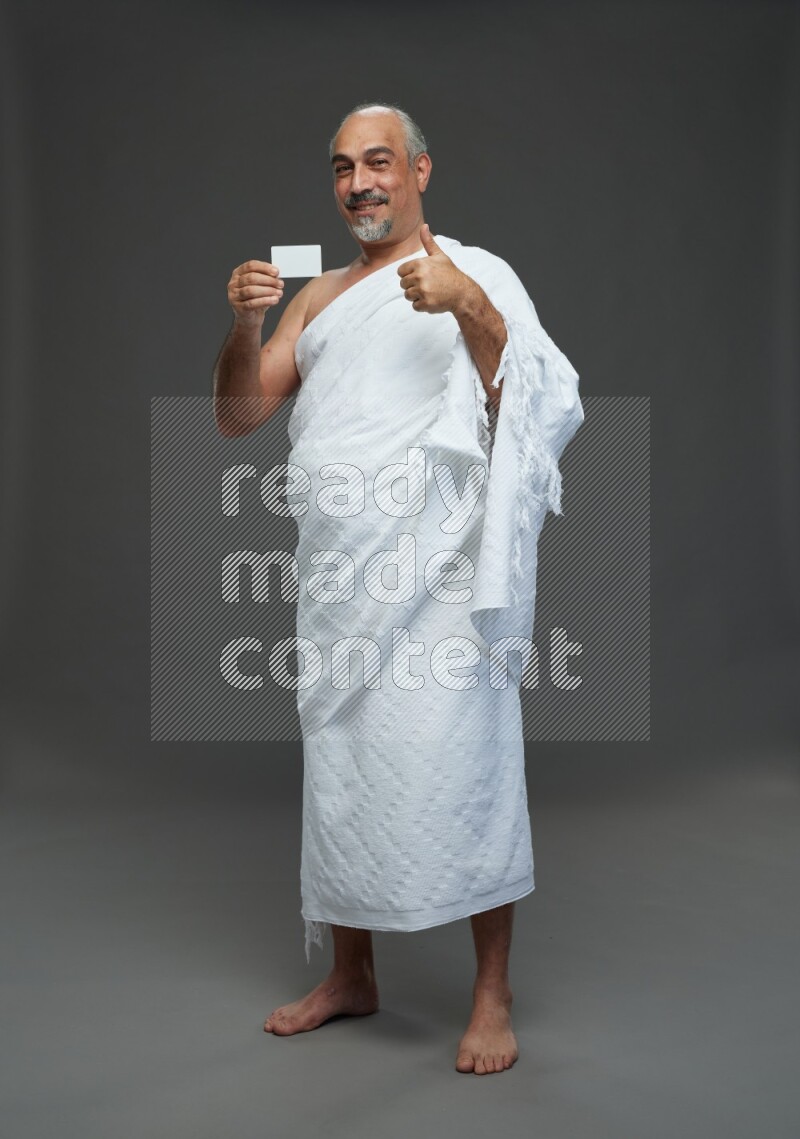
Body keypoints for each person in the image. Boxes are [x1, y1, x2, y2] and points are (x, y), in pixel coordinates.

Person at [212, 102, 584, 1075]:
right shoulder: (318, 295)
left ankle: (489, 992)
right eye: (341, 168)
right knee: (344, 770)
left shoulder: (477, 270)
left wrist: (465, 302)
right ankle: (351, 973)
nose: (358, 182)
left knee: (467, 761)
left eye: (377, 161)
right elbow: (241, 413)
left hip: (441, 574)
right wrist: (244, 323)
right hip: (342, 571)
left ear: (420, 170)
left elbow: (532, 400)